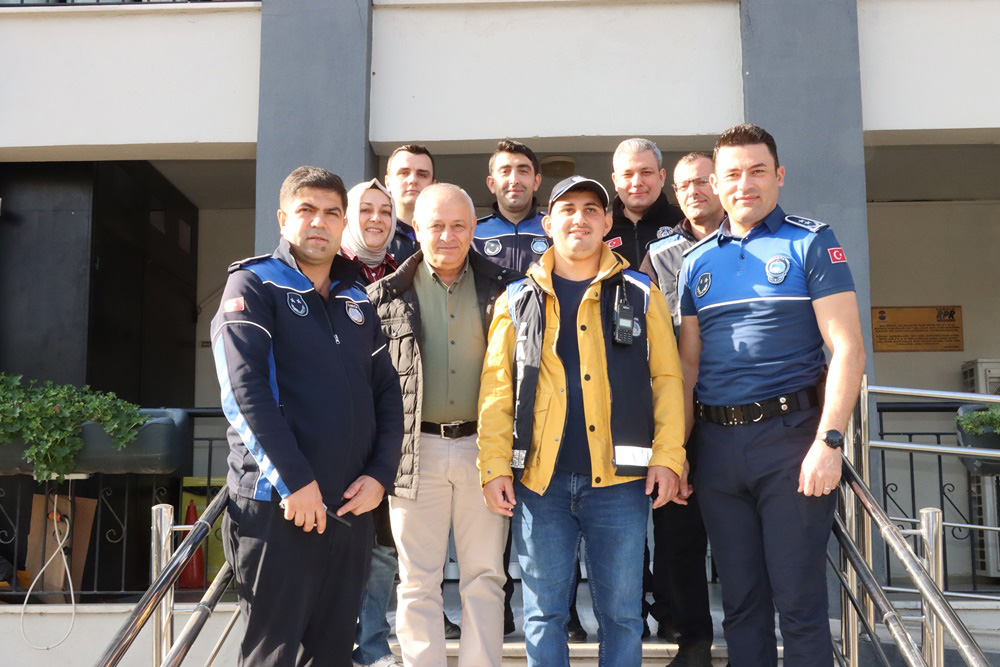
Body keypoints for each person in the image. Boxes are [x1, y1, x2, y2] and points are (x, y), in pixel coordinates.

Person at [478, 175, 686, 667]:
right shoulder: (515, 298)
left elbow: (667, 381)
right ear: (547, 224)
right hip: (540, 483)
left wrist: (669, 457)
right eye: (567, 210)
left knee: (622, 616)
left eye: (591, 209)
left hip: (619, 485)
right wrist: (493, 466)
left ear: (608, 222)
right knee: (543, 614)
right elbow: (497, 388)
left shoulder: (643, 294)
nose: (580, 219)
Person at [678, 124, 865, 666]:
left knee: (799, 604)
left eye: (758, 171)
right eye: (733, 174)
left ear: (778, 175)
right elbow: (687, 368)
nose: (745, 184)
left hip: (791, 443)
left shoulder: (811, 241)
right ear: (715, 184)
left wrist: (829, 442)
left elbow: (848, 348)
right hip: (716, 448)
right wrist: (679, 451)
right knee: (740, 606)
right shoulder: (696, 261)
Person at [212, 166, 404, 666]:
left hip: (349, 508)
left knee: (333, 654)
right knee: (272, 655)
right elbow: (244, 392)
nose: (319, 222)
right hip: (281, 505)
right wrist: (295, 482)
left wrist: (380, 476)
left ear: (344, 224)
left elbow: (388, 392)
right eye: (306, 210)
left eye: (331, 213)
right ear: (283, 219)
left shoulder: (355, 297)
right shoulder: (253, 284)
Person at [367, 183, 519, 667]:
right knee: (417, 580)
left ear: (474, 229)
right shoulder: (385, 296)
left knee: (485, 576)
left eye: (458, 226)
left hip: (485, 449)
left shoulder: (508, 289)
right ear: (416, 229)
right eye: (436, 226)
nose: (448, 236)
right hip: (415, 451)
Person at [637, 152, 723, 666]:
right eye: (686, 184)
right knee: (678, 537)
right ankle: (692, 639)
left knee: (738, 538)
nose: (694, 191)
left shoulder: (748, 244)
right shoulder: (660, 255)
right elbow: (641, 334)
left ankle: (748, 634)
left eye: (704, 181)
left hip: (736, 410)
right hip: (677, 414)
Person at [341, 178, 403, 667]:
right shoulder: (328, 270)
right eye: (366, 209)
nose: (376, 219)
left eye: (385, 211)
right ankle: (336, 643)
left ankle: (373, 646)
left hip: (390, 423)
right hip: (337, 427)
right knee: (337, 543)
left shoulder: (405, 270)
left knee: (384, 548)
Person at [605, 138, 684, 268]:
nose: (637, 182)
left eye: (646, 172)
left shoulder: (685, 224)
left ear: (662, 177)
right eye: (627, 174)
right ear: (615, 181)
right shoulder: (602, 229)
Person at [473, 139, 551, 273]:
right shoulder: (473, 235)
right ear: (491, 184)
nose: (514, 180)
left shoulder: (555, 230)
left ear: (536, 182)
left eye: (523, 171)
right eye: (505, 171)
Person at [385, 144, 435, 264]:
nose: (413, 180)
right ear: (388, 183)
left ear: (433, 185)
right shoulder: (375, 232)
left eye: (422, 174)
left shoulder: (446, 235)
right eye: (404, 173)